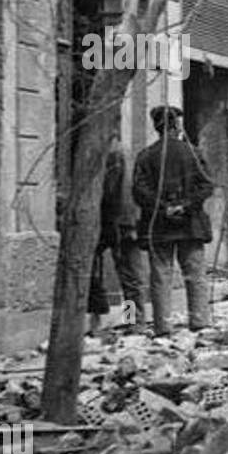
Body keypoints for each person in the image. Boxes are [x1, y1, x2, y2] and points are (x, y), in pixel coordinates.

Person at [133, 105, 215, 337]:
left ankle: (163, 327)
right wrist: (185, 205)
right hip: (190, 224)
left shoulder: (145, 156)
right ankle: (199, 322)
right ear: (176, 126)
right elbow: (207, 185)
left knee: (160, 277)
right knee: (195, 274)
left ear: (157, 127)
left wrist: (163, 208)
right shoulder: (194, 153)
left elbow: (139, 193)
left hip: (158, 226)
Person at [88, 132, 144, 335]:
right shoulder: (125, 150)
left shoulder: (110, 153)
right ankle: (133, 321)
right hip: (127, 221)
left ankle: (105, 321)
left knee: (101, 273)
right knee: (130, 278)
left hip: (115, 221)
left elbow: (111, 191)